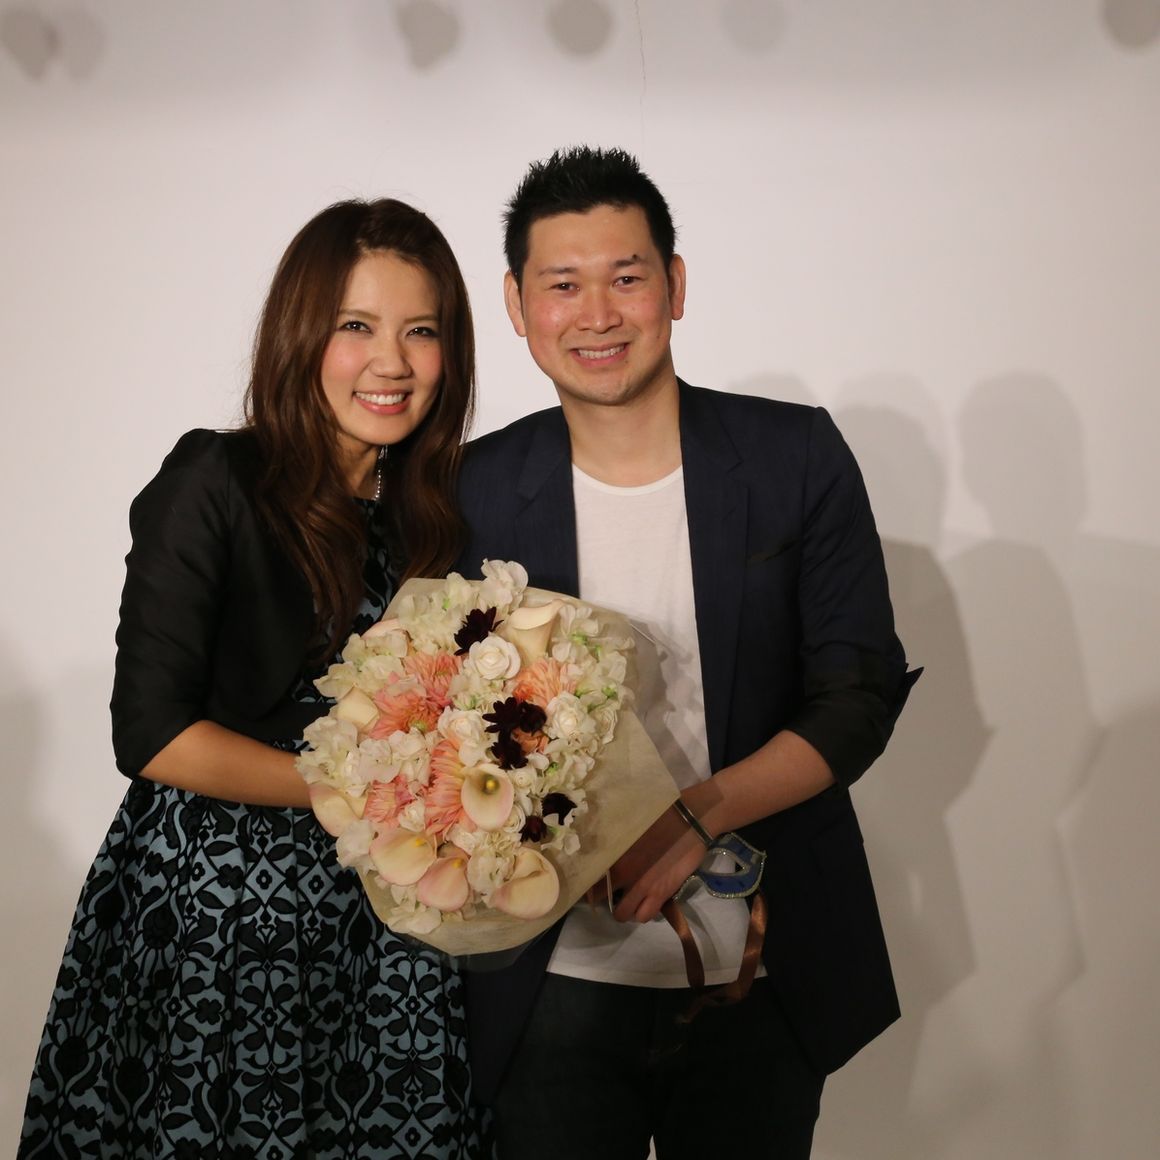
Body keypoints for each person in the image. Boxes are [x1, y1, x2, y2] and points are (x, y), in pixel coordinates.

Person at [454, 147, 919, 1158]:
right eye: (562, 284)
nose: (597, 313)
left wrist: (695, 813)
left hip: (759, 973)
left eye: (625, 276)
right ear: (517, 304)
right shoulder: (473, 489)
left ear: (673, 284)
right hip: (549, 985)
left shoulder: (794, 456)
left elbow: (857, 692)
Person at [20, 199, 489, 1159]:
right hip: (221, 912)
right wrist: (354, 795)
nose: (391, 362)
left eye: (421, 331)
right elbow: (151, 733)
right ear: (299, 333)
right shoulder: (218, 479)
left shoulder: (436, 514)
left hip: (388, 928)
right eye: (356, 326)